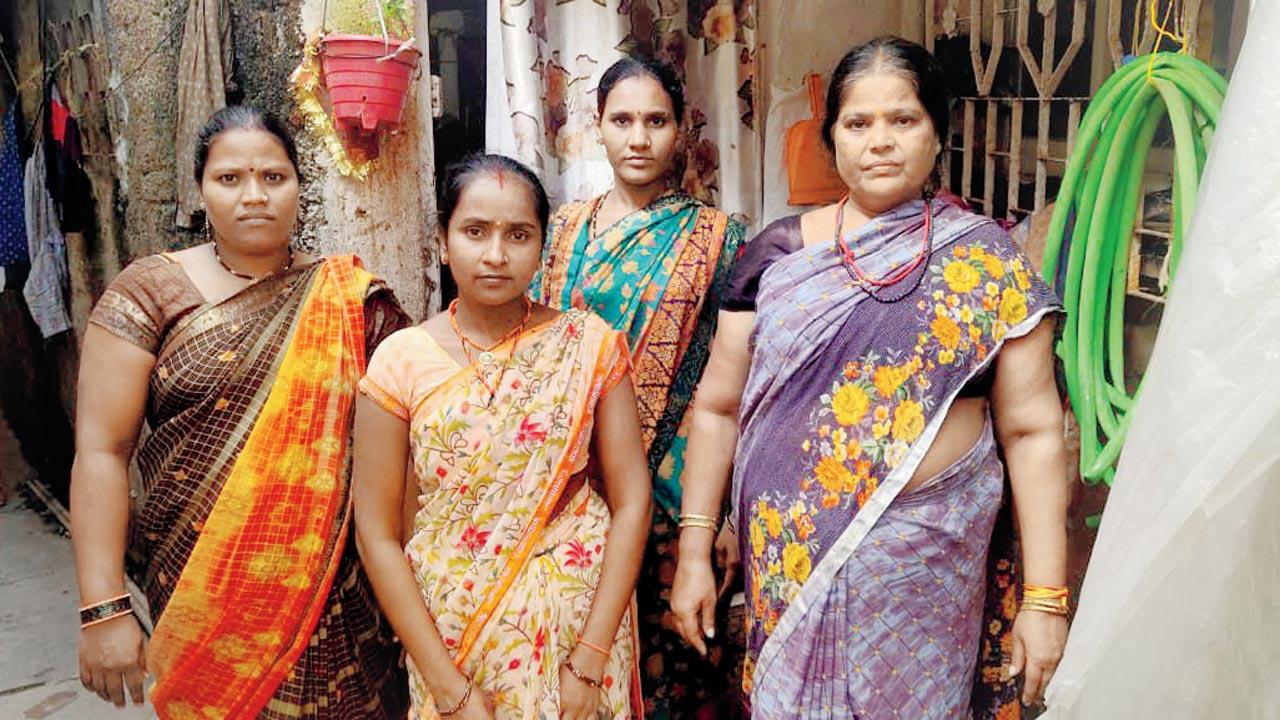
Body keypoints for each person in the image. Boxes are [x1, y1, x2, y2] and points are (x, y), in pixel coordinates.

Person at [670, 36, 1072, 719]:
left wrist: (1046, 598)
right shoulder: (778, 257)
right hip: (793, 570)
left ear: (937, 133)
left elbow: (1033, 431)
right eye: (858, 123)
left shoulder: (987, 261)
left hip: (928, 577)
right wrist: (694, 548)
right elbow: (716, 407)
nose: (880, 142)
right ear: (830, 142)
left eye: (903, 120)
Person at [70, 106, 409, 718]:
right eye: (230, 179)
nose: (255, 196)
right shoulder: (149, 293)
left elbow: (410, 447)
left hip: (338, 594)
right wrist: (104, 606)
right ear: (200, 190)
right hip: (200, 589)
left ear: (299, 185)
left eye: (274, 177)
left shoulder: (352, 301)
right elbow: (101, 451)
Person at [353, 153, 651, 720]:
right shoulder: (400, 362)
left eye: (518, 234)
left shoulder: (589, 346)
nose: (495, 254)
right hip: (454, 638)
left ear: (542, 247)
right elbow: (377, 533)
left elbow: (632, 501)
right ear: (443, 242)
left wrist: (590, 658)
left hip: (579, 635)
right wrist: (449, 688)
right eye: (474, 232)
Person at [530, 55, 747, 719]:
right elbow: (533, 340)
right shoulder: (562, 227)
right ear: (597, 127)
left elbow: (738, 381)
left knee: (679, 667)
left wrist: (725, 510)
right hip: (573, 481)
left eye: (657, 120)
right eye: (622, 120)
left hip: (679, 486)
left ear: (682, 130)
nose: (639, 137)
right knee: (576, 656)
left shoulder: (719, 235)